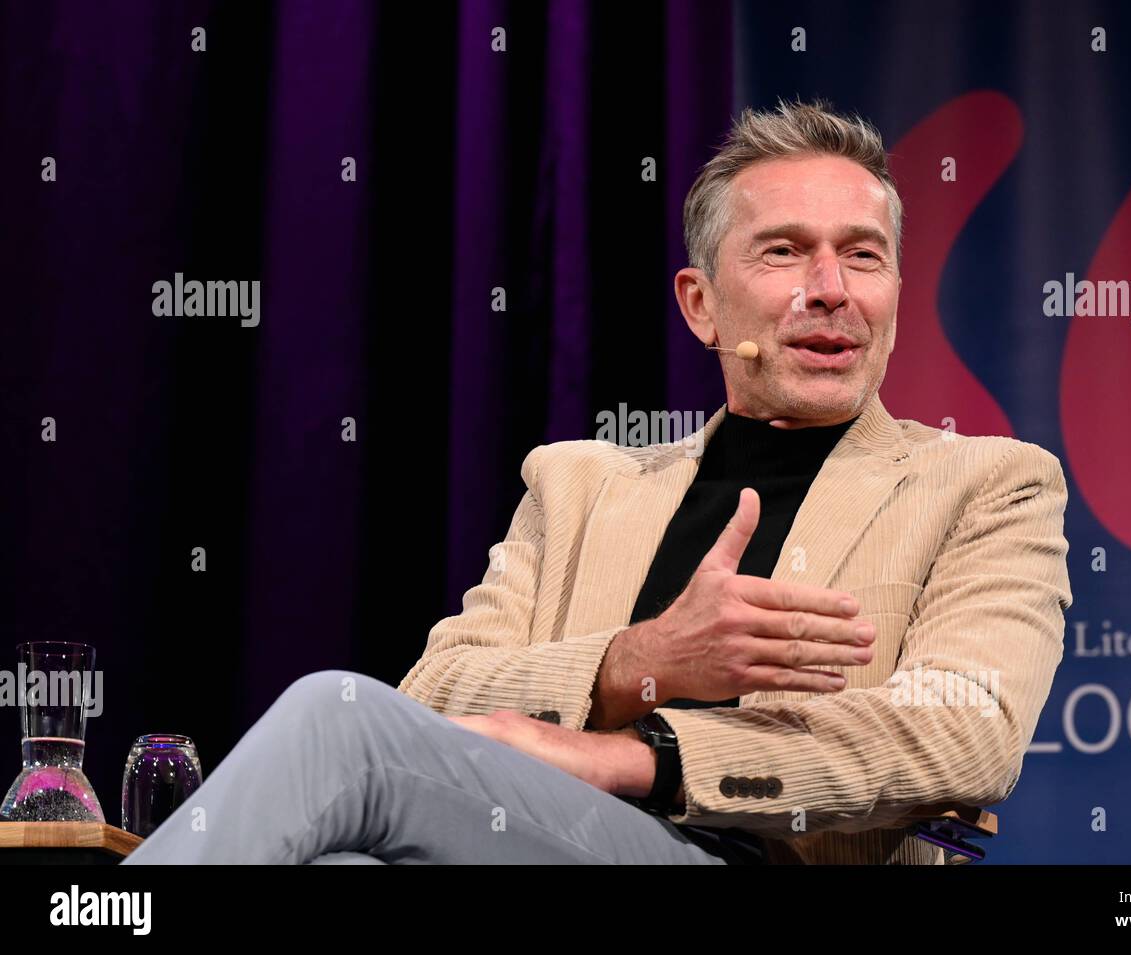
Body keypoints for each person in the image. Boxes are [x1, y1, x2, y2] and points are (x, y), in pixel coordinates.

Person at [123, 97, 1072, 865]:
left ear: (897, 295)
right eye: (783, 250)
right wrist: (635, 662)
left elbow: (960, 733)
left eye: (863, 255)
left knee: (339, 717)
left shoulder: (988, 484)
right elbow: (440, 697)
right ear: (701, 305)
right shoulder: (579, 485)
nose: (829, 286)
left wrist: (635, 757)